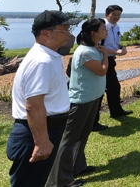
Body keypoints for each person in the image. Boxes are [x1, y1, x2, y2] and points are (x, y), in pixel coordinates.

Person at [6, 11, 75, 187]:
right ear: (46, 33)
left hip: (45, 128)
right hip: (37, 132)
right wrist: (42, 142)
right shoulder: (41, 61)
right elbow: (34, 106)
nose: (69, 34)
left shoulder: (50, 56)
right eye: (64, 30)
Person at [47, 18, 111, 187]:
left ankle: (77, 167)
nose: (106, 31)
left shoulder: (92, 49)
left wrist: (102, 51)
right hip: (81, 101)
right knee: (69, 140)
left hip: (92, 98)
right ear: (93, 33)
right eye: (103, 29)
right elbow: (102, 71)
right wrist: (105, 54)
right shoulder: (85, 52)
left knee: (82, 136)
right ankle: (59, 180)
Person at [94, 5, 132, 126]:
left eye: (118, 15)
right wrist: (116, 52)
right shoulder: (102, 27)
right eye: (114, 14)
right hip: (101, 60)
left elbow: (114, 43)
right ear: (107, 14)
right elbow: (97, 46)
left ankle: (116, 111)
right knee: (99, 90)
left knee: (114, 87)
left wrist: (121, 47)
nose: (116, 17)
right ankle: (94, 121)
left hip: (110, 60)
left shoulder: (116, 27)